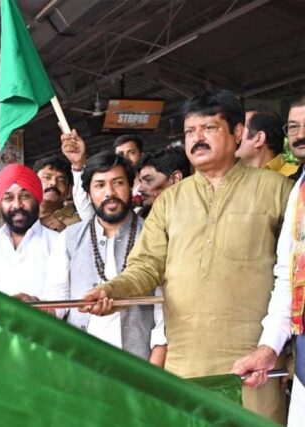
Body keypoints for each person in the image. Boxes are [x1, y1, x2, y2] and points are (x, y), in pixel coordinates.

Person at [80, 90, 293, 422]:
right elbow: (145, 266)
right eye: (190, 131)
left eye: (209, 128)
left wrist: (280, 351)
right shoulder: (170, 200)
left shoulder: (277, 190)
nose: (197, 138)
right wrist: (112, 290)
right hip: (184, 364)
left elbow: (295, 274)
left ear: (237, 133)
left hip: (253, 362)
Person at [42, 152, 166, 364]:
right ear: (89, 193)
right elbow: (57, 301)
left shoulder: (152, 236)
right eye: (99, 185)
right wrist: (32, 307)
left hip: (137, 366)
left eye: (118, 183)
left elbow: (163, 318)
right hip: (81, 364)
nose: (110, 192)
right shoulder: (69, 238)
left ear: (131, 186)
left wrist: (152, 376)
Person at [232, 96, 305, 426]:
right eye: (294, 126)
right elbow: (288, 276)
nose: (300, 134)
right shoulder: (298, 191)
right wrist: (268, 348)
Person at [0, 164, 58, 300]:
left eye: (25, 196)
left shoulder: (57, 242)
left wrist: (36, 304)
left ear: (37, 199)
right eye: (8, 198)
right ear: (0, 203)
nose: (17, 205)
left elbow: (63, 298)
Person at [236, 107, 298, 177]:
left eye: (238, 131)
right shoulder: (233, 177)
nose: (231, 137)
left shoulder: (298, 178)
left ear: (259, 138)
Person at [136, 145, 191, 218]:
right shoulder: (140, 218)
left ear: (175, 179)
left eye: (148, 180)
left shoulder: (199, 212)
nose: (140, 189)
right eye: (141, 181)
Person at [33, 155, 81, 232]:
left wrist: (65, 233)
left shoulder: (78, 223)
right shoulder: (21, 213)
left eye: (61, 180)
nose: (53, 183)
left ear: (69, 190)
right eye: (47, 177)